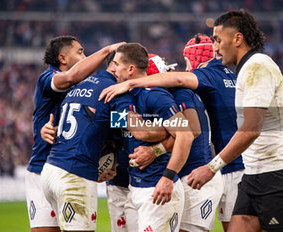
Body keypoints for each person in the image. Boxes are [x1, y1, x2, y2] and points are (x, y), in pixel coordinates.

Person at [99, 34, 245, 231]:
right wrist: (112, 152)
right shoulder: (131, 99)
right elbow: (122, 130)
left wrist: (156, 150)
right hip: (149, 182)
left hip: (192, 176)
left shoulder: (176, 93)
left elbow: (190, 131)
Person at [188, 9, 283, 232]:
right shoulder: (245, 69)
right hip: (254, 174)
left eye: (217, 40)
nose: (215, 47)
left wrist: (211, 167)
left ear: (237, 38)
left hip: (276, 174)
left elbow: (252, 129)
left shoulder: (257, 66)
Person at [26, 35, 124, 232]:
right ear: (62, 58)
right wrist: (106, 51)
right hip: (43, 166)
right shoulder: (49, 78)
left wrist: (108, 156)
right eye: (80, 52)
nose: (85, 56)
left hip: (64, 165)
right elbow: (69, 78)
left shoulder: (84, 86)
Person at [109, 43, 194, 232]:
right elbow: (125, 132)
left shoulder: (155, 96)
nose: (112, 69)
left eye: (116, 64)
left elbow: (186, 135)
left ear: (130, 69)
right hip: (135, 188)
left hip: (158, 188)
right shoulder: (124, 99)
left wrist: (168, 178)